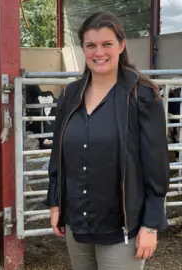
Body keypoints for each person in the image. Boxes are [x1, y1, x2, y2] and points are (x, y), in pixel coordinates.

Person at [44, 11, 170, 270]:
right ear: (83, 49)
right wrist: (55, 203)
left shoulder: (142, 96)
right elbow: (58, 154)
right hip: (77, 223)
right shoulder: (70, 95)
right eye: (90, 45)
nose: (98, 52)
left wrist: (151, 225)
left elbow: (156, 167)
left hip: (122, 227)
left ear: (122, 46)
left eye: (106, 44)